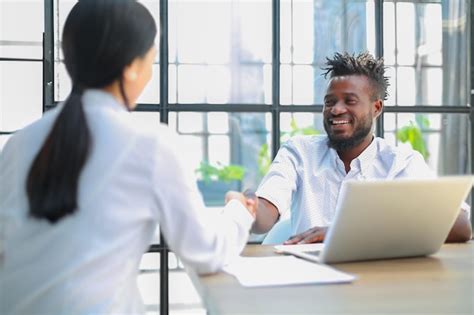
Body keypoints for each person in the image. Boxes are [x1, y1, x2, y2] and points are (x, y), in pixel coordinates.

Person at [0, 1, 257, 314]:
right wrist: (239, 210)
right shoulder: (151, 144)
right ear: (133, 66)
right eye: (152, 57)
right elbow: (205, 252)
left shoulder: (19, 143)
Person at [227, 52, 472, 245]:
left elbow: (461, 227)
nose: (335, 110)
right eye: (329, 102)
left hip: (379, 282)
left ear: (376, 108)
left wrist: (342, 234)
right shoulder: (298, 152)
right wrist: (247, 209)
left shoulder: (401, 162)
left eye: (350, 101)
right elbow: (265, 218)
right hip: (311, 282)